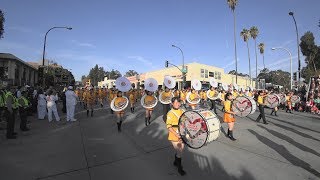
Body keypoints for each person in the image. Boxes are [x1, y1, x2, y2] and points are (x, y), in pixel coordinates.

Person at [166, 97, 186, 176]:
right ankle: (179, 168)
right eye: (176, 102)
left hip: (182, 133)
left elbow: (184, 121)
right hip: (174, 134)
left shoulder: (182, 111)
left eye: (179, 102)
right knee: (179, 150)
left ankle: (175, 162)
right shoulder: (170, 113)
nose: (178, 104)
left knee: (180, 150)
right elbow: (169, 126)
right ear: (172, 103)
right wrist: (176, 134)